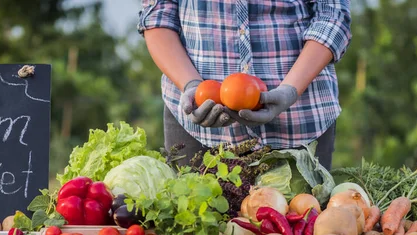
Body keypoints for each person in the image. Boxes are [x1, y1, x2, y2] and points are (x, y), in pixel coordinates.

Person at [137, 0, 352, 170]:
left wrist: (290, 90)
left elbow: (332, 15)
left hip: (300, 121)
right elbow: (157, 16)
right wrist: (191, 85)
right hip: (195, 131)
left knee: (305, 222)